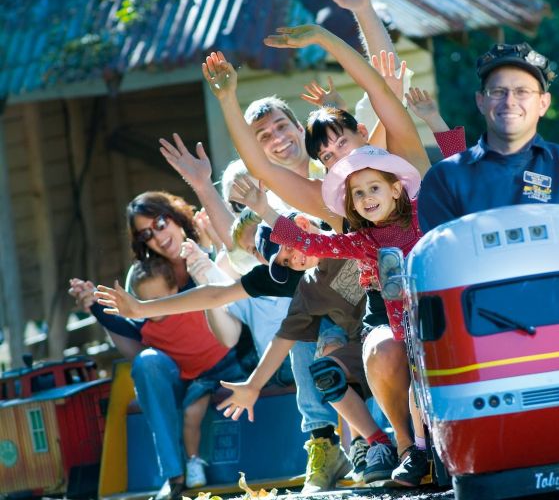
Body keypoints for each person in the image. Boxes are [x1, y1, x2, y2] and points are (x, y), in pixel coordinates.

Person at [94, 216, 395, 488]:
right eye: (282, 259)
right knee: (323, 365)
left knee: (359, 346)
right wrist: (141, 308)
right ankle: (376, 441)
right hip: (361, 350)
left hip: (396, 331)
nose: (292, 258)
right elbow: (217, 296)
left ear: (302, 225)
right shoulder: (300, 285)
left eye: (288, 248)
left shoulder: (339, 236)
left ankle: (400, 443)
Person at [232, 145, 432, 486]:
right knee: (398, 366)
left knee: (421, 369)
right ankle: (405, 450)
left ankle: (428, 447)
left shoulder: (421, 212)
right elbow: (310, 244)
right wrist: (263, 208)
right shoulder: (360, 241)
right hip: (394, 335)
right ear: (351, 204)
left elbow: (456, 179)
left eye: (374, 188)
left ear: (396, 188)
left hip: (435, 318)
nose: (367, 197)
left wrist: (434, 120)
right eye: (358, 193)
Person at [70, 191, 246, 500]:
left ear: (177, 218)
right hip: (179, 371)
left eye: (161, 223)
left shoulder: (207, 248)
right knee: (145, 363)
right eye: (146, 234)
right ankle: (173, 474)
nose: (158, 236)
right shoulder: (142, 276)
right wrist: (95, 308)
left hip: (230, 358)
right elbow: (138, 341)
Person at [418, 42, 559, 233]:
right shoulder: (444, 178)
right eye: (498, 92)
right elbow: (442, 257)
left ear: (543, 103)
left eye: (522, 92)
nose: (509, 102)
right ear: (481, 101)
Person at [127, 256, 246, 491]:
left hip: (229, 364)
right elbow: (119, 325)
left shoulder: (191, 303)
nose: (152, 306)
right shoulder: (148, 329)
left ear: (174, 290)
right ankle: (193, 464)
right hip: (201, 378)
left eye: (158, 300)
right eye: (145, 302)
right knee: (192, 413)